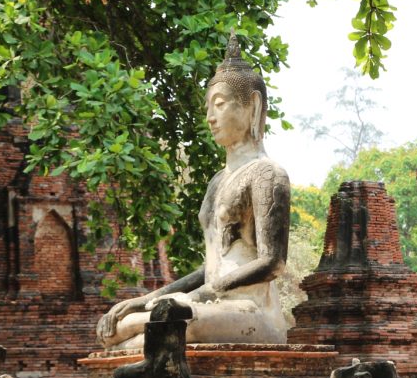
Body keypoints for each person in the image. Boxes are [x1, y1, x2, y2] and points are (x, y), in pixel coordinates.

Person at [96, 33, 290, 349]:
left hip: (251, 310)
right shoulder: (217, 181)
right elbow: (210, 267)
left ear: (252, 105)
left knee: (167, 322)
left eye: (220, 104)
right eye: (207, 108)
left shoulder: (267, 174)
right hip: (210, 304)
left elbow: (273, 262)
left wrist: (196, 296)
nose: (210, 118)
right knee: (115, 330)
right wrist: (146, 298)